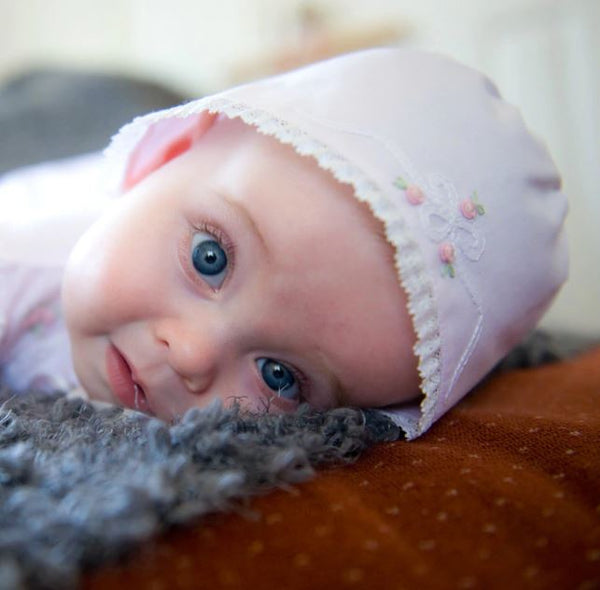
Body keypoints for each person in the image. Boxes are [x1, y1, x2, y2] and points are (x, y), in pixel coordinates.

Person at [0, 48, 568, 439]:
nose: (193, 356)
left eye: (281, 377)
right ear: (167, 153)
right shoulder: (21, 262)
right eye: (210, 259)